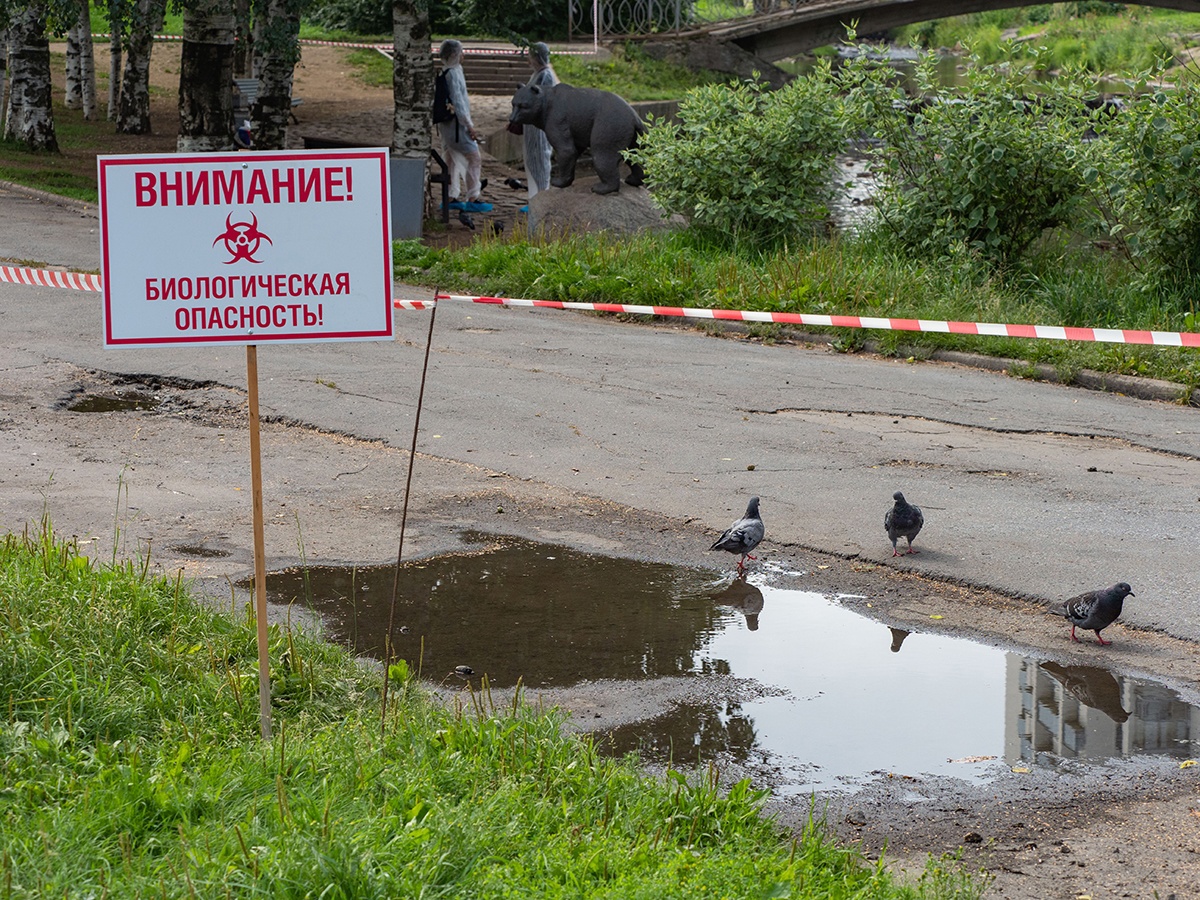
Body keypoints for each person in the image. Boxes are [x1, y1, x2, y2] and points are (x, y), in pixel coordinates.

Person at [437, 39, 489, 212]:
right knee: (474, 157)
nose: (463, 55)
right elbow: (459, 104)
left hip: (447, 126)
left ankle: (451, 195)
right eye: (460, 52)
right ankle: (473, 197)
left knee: (450, 159)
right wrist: (469, 126)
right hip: (456, 127)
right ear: (454, 54)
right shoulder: (453, 74)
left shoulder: (446, 72)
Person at [522, 42, 558, 206]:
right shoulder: (537, 74)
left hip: (540, 129)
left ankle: (542, 200)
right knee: (532, 162)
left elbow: (543, 102)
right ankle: (535, 198)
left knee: (541, 162)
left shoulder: (546, 76)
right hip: (532, 127)